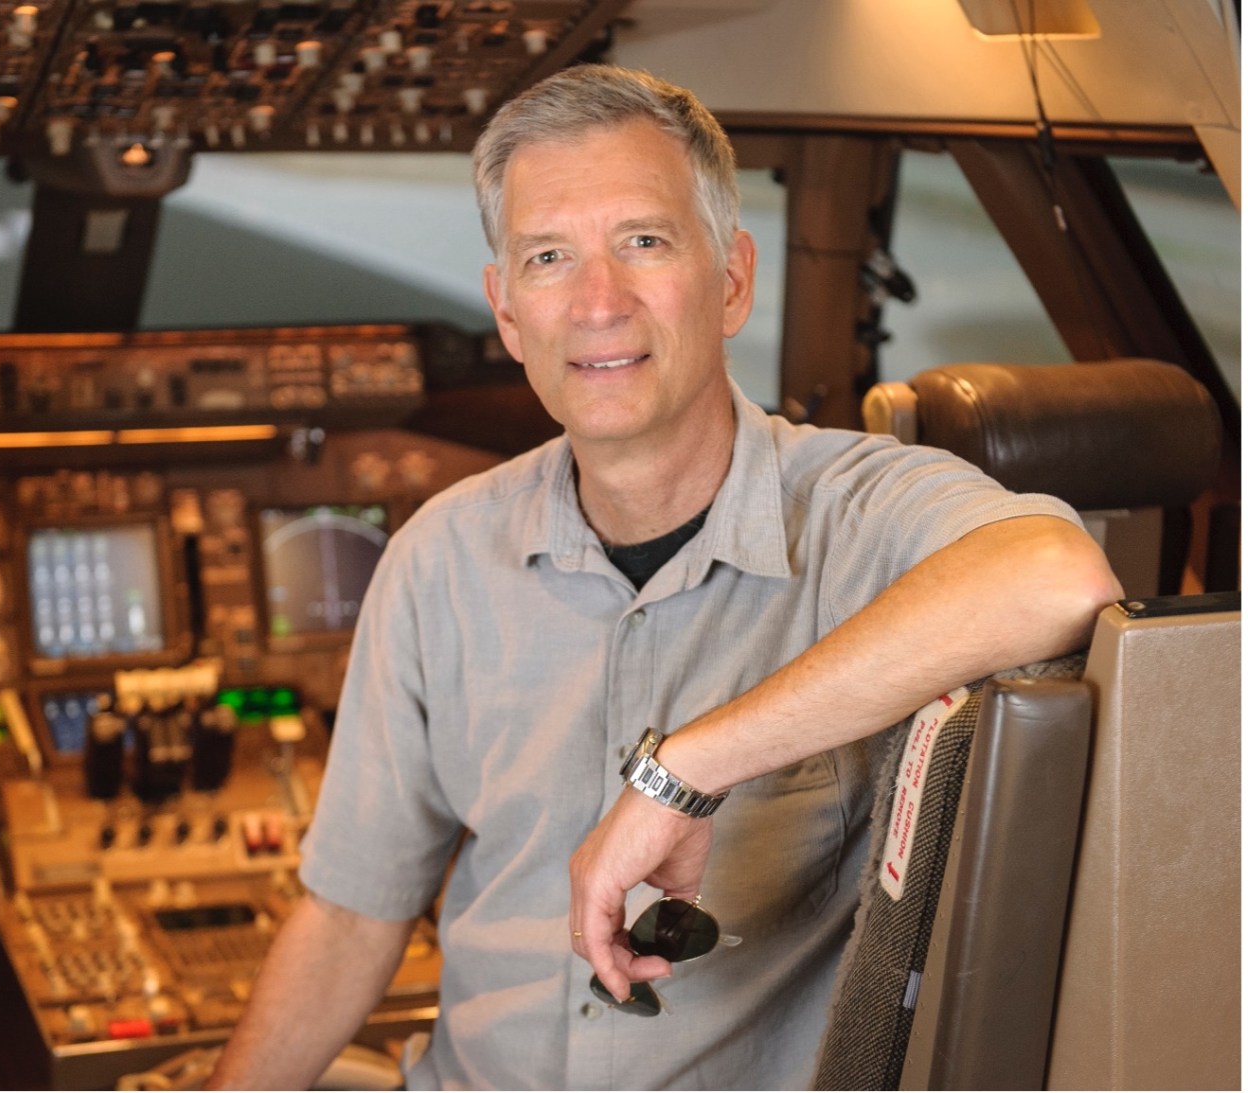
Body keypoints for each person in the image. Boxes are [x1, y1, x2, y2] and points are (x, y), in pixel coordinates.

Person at [208, 64, 1120, 1090]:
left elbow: (1055, 572)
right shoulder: (437, 557)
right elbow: (349, 916)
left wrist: (687, 771)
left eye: (643, 241)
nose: (599, 302)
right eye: (550, 257)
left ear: (732, 279)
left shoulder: (856, 514)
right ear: (508, 312)